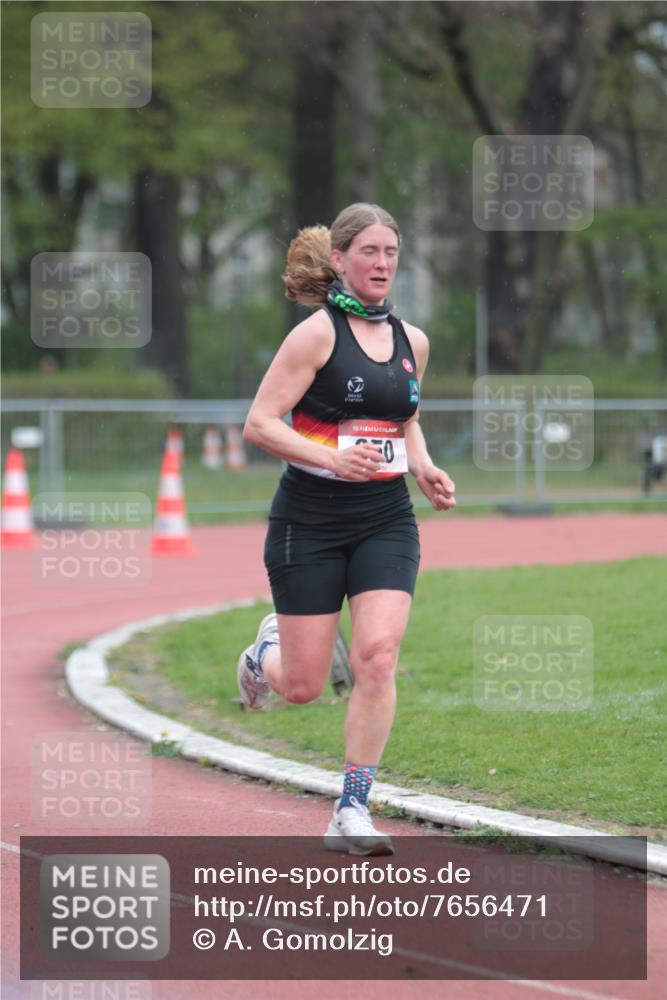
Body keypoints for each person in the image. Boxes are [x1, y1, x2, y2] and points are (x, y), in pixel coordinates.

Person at [237, 203, 455, 855]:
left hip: (385, 519)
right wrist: (331, 457)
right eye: (369, 252)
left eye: (390, 252)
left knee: (376, 657)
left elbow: (403, 415)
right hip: (308, 521)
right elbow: (259, 422)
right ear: (340, 260)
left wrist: (421, 463)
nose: (382, 263)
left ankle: (351, 808)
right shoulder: (315, 336)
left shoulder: (412, 340)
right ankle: (261, 654)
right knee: (302, 687)